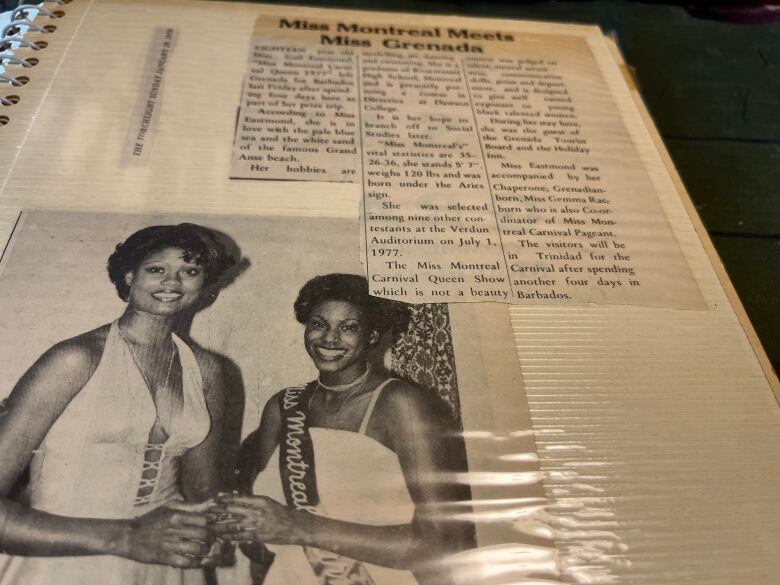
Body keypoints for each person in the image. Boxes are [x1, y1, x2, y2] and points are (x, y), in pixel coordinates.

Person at [0, 223, 237, 585]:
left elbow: (202, 490)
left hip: (166, 567)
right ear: (129, 276)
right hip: (66, 561)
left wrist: (218, 528)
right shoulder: (76, 359)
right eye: (156, 269)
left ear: (206, 287)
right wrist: (128, 537)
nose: (172, 282)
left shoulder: (208, 371)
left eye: (189, 271)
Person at [216, 273, 474, 585]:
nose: (329, 338)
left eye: (348, 327)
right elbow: (266, 539)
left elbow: (444, 540)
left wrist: (300, 527)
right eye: (318, 323)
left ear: (373, 335)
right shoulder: (283, 406)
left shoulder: (401, 404)